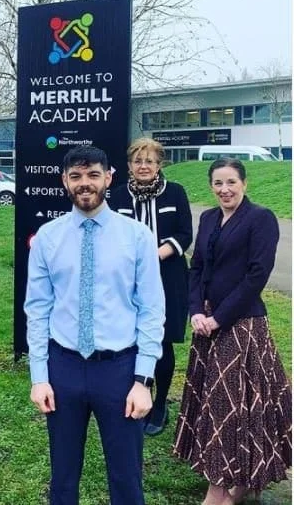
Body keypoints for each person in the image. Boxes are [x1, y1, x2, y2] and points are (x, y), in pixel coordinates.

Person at [24, 145, 165, 505]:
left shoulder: (137, 237)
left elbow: (151, 309)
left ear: (109, 177)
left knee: (126, 479)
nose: (84, 184)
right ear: (64, 182)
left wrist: (143, 380)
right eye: (76, 176)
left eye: (92, 175)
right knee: (63, 478)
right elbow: (37, 310)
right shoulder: (47, 238)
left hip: (119, 370)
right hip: (64, 368)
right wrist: (40, 377)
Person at [173, 158, 291, 505]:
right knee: (213, 406)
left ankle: (222, 489)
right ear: (210, 186)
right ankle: (232, 482)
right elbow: (196, 268)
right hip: (206, 325)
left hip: (241, 325)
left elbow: (256, 276)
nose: (224, 189)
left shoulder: (261, 219)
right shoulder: (209, 218)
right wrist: (195, 310)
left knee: (234, 409)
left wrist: (218, 318)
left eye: (231, 182)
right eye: (218, 183)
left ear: (244, 183)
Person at [109, 137, 192, 436]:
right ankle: (139, 390)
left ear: (159, 165)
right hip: (127, 278)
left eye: (150, 161)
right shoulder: (116, 196)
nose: (143, 166)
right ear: (129, 166)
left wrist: (155, 255)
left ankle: (160, 404)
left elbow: (185, 234)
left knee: (162, 339)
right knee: (133, 336)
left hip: (167, 275)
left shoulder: (176, 193)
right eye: (138, 161)